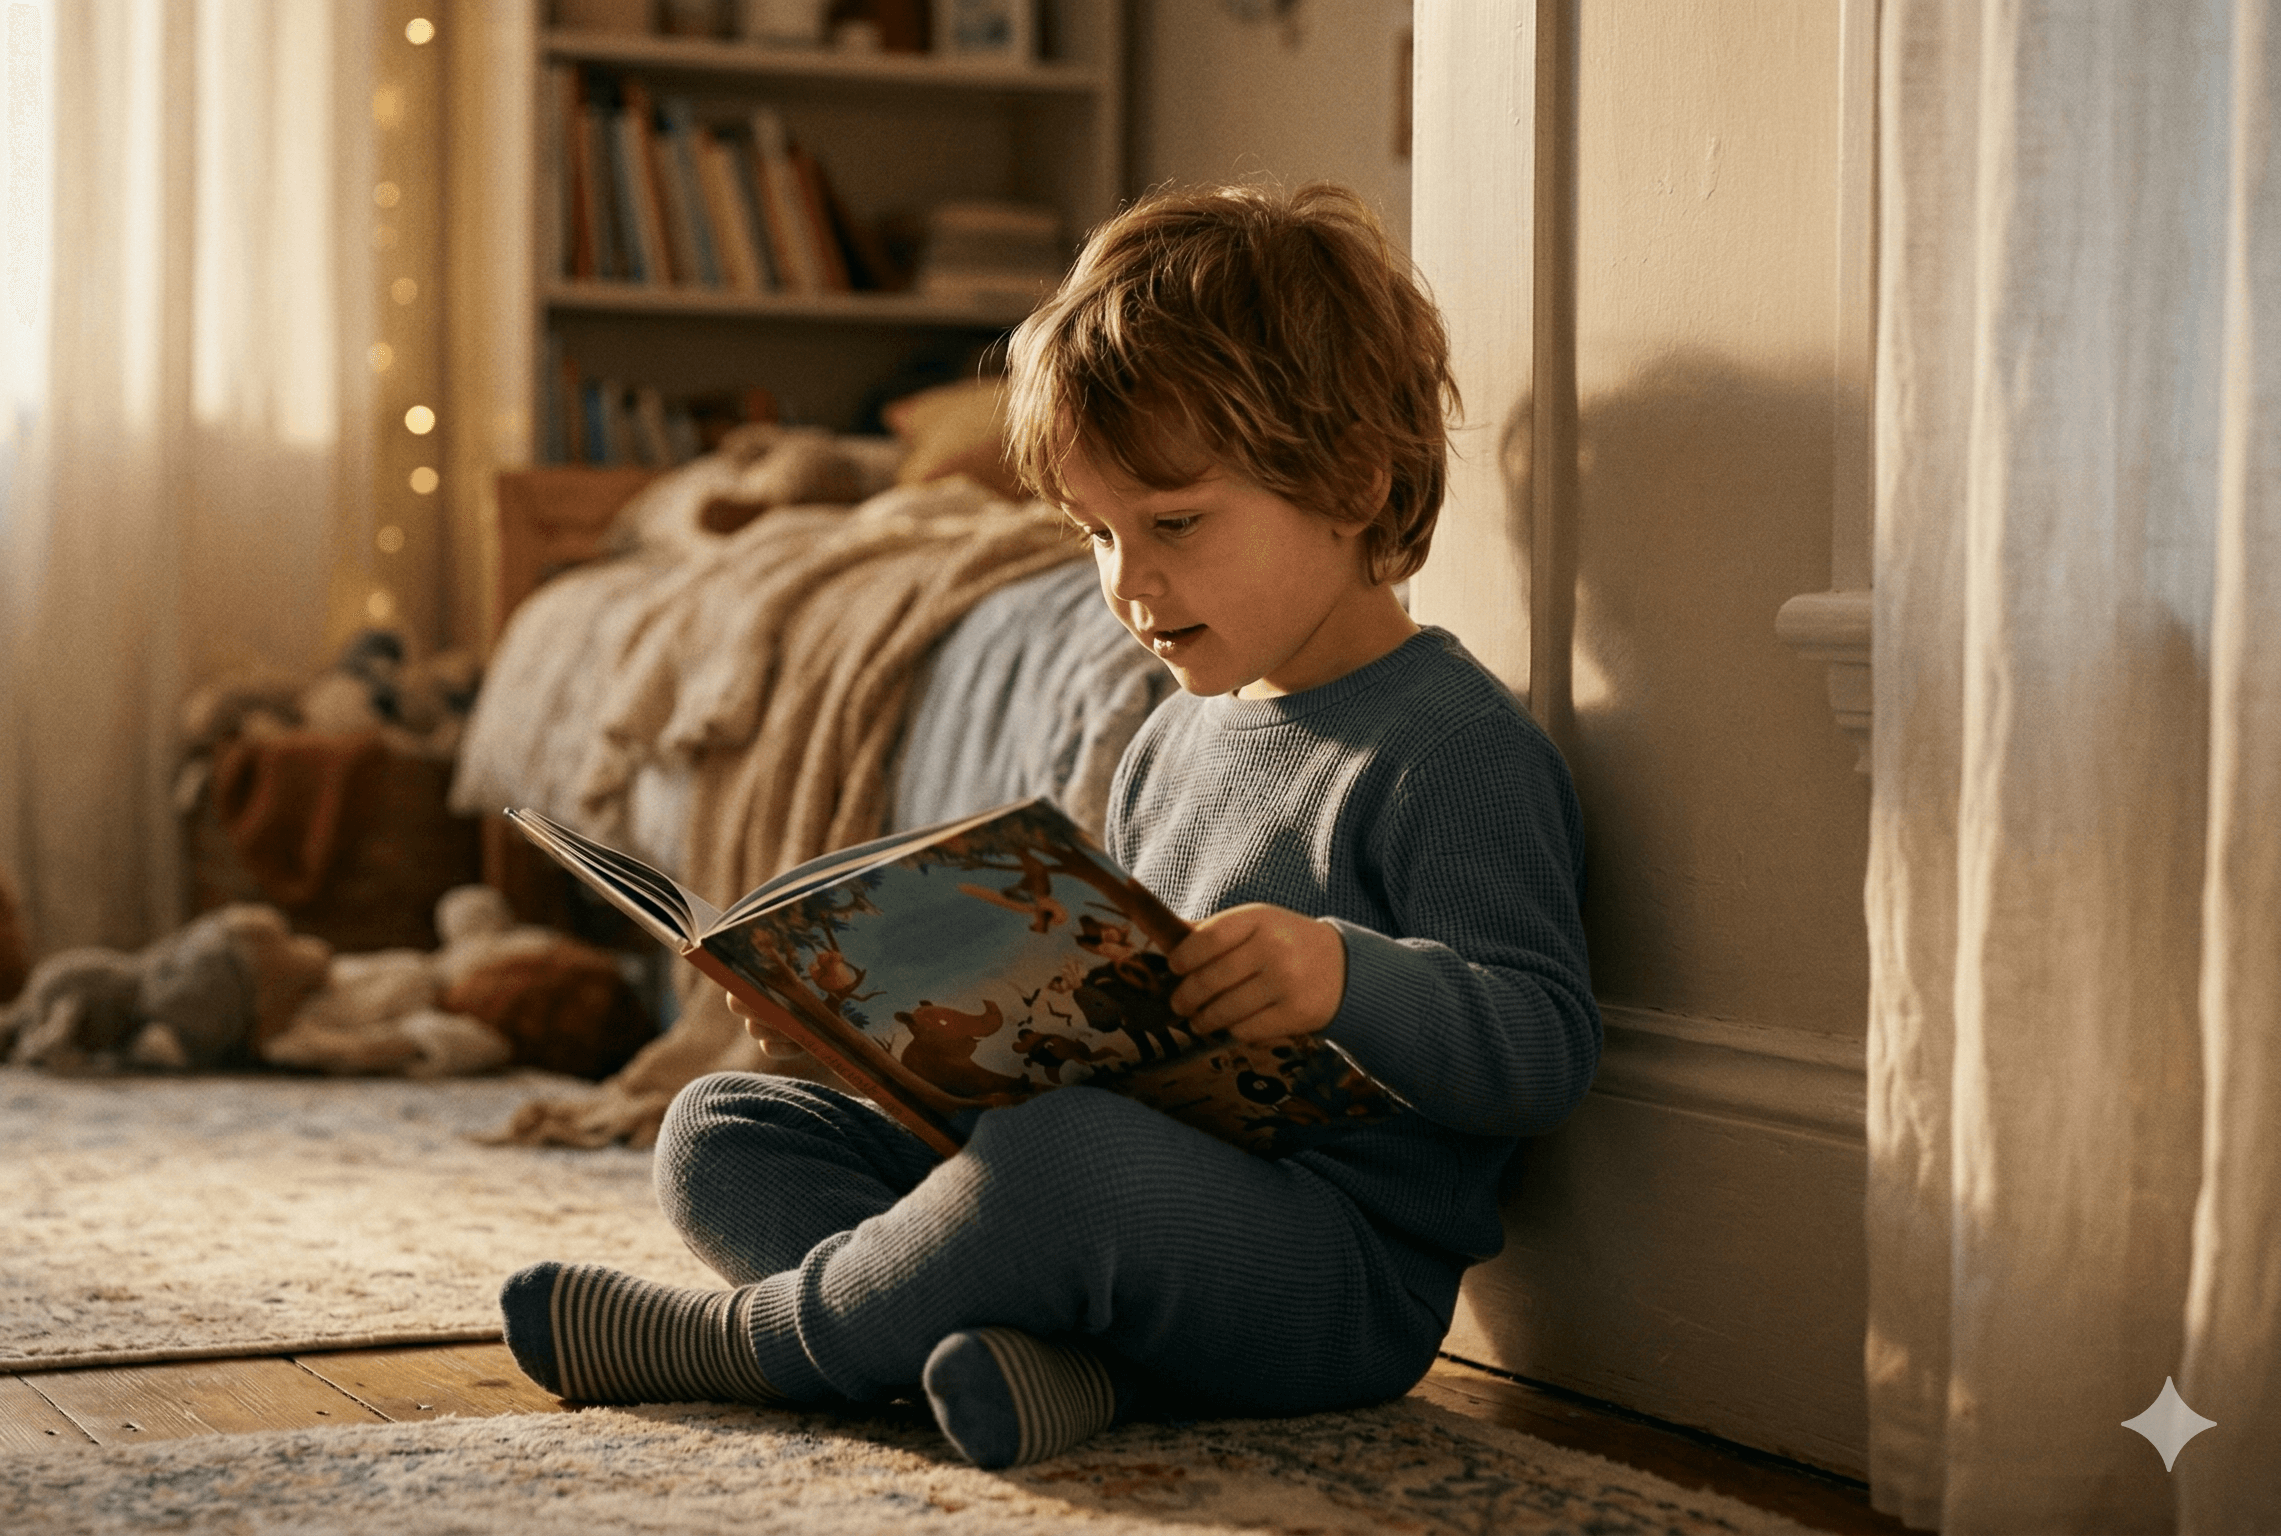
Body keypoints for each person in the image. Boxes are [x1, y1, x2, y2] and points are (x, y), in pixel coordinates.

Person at [496, 181, 1599, 1470]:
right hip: (1119, 1199)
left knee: (1062, 1155)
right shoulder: (1166, 738)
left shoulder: (1456, 748)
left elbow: (1544, 1045)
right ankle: (1058, 1372)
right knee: (727, 1127)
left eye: (1176, 523)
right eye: (1095, 534)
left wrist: (1343, 976)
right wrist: (866, 1022)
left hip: (1330, 1277)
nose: (1130, 582)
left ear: (1352, 483)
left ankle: (777, 1345)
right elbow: (1100, 1022)